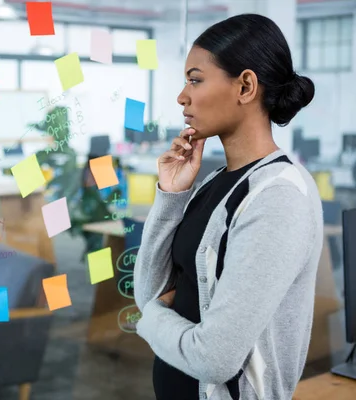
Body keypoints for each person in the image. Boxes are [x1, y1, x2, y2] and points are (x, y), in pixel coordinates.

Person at [133, 14, 323, 400]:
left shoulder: (279, 196)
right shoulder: (214, 181)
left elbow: (214, 358)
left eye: (195, 79)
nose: (182, 96)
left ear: (246, 86)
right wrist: (171, 195)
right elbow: (150, 291)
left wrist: (150, 321)